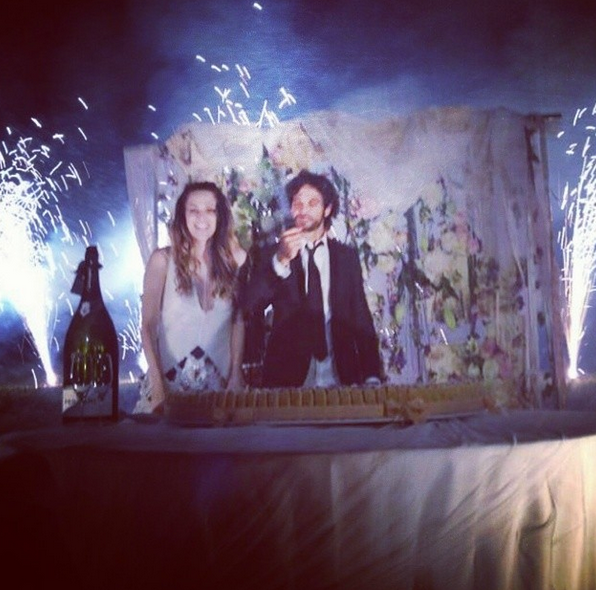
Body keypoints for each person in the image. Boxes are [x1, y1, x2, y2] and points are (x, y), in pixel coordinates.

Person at [241, 169, 382, 388]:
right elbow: (250, 305)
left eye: (312, 203)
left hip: (342, 377)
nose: (303, 209)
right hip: (287, 381)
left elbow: (361, 317)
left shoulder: (346, 258)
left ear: (327, 209)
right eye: (297, 203)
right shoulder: (273, 254)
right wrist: (281, 260)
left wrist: (372, 374)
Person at [135, 181, 247, 413]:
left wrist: (236, 372)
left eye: (210, 210)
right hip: (169, 391)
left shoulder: (235, 261)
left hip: (219, 394)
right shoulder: (162, 261)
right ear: (182, 216)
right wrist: (158, 386)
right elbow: (148, 326)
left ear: (220, 216)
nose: (201, 217)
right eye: (193, 210)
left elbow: (238, 320)